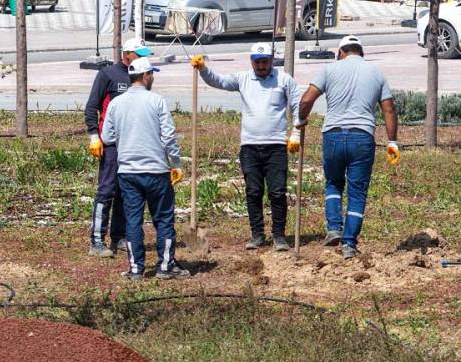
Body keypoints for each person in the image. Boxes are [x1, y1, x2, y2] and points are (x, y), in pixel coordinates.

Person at [191, 42, 303, 252]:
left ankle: (279, 236)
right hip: (250, 146)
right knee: (253, 191)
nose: (261, 66)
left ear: (271, 60)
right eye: (257, 62)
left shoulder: (284, 80)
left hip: (276, 145)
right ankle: (257, 235)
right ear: (252, 62)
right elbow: (219, 81)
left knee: (278, 192)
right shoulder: (243, 79)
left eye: (265, 62)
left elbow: (298, 106)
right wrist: (203, 69)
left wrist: (296, 133)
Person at [297, 34, 399, 259]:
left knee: (333, 183)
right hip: (362, 137)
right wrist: (392, 141)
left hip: (333, 135)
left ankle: (334, 228)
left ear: (341, 52)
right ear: (362, 53)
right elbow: (389, 109)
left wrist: (300, 122)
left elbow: (306, 100)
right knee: (357, 192)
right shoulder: (376, 73)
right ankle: (349, 244)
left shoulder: (329, 69)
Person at [102, 57, 187, 280]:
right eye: (152, 74)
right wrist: (176, 164)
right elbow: (168, 136)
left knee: (133, 221)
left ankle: (136, 269)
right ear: (146, 75)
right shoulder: (157, 101)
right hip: (156, 171)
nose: (153, 78)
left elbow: (107, 136)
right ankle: (165, 267)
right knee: (164, 219)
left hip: (128, 172)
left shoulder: (116, 103)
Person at [84, 37, 153, 257]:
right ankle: (96, 240)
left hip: (132, 143)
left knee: (126, 191)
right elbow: (91, 107)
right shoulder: (108, 75)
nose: (143, 58)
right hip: (111, 143)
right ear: (126, 55)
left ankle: (119, 236)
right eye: (138, 54)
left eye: (144, 55)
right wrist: (94, 136)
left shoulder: (142, 77)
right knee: (107, 191)